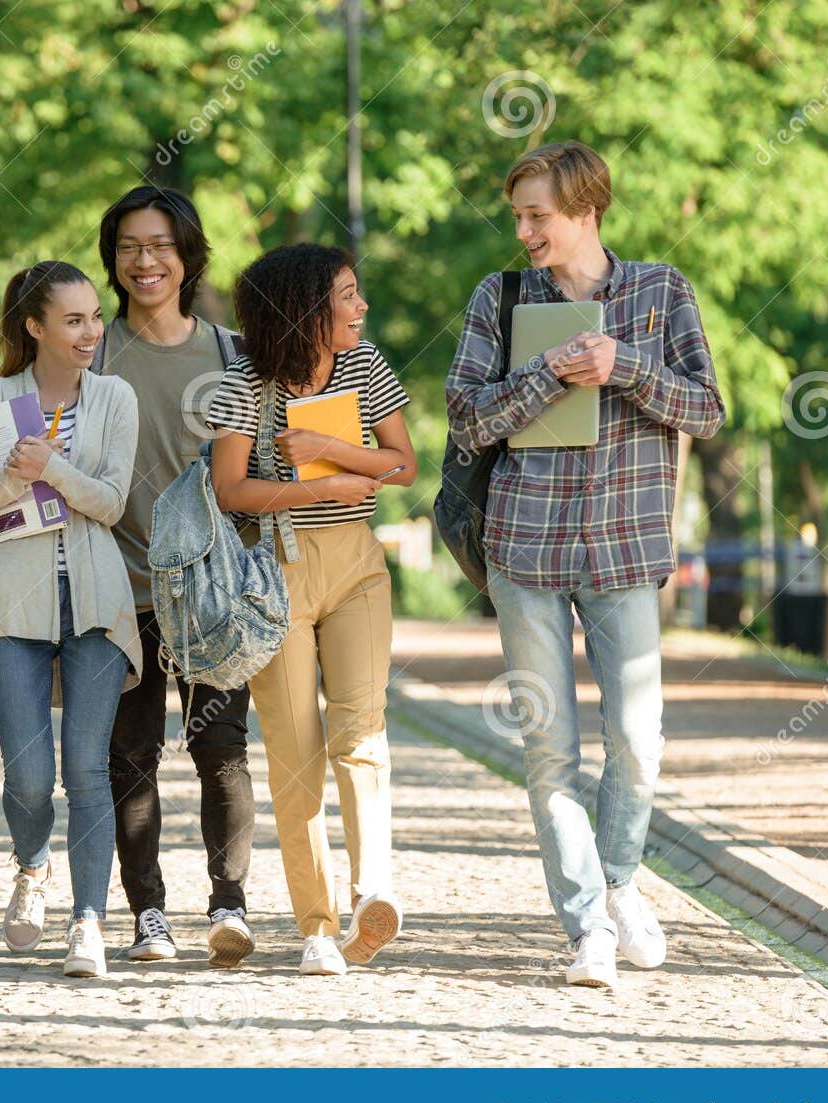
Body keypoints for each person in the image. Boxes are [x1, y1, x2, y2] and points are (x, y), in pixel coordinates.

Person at [444, 140, 725, 989]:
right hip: (524, 549)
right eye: (520, 215)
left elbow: (706, 410)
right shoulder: (500, 298)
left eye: (540, 215)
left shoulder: (660, 290)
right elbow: (464, 419)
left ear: (586, 209)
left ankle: (622, 880)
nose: (525, 230)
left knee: (638, 743)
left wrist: (625, 367)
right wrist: (547, 376)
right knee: (549, 750)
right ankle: (586, 928)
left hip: (625, 549)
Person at [206, 243, 416, 976]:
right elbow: (231, 489)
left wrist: (332, 449)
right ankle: (317, 925)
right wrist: (311, 489)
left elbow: (402, 465)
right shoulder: (243, 384)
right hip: (275, 574)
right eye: (347, 296)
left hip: (356, 565)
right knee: (296, 757)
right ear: (304, 310)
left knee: (362, 734)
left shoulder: (364, 366)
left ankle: (372, 892)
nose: (361, 308)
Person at [0, 261, 141, 979]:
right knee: (29, 778)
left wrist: (53, 469)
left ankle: (89, 920)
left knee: (87, 767)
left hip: (94, 601)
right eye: (74, 320)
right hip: (12, 601)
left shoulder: (114, 397)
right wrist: (13, 475)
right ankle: (33, 867)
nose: (90, 331)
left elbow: (113, 502)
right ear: (35, 327)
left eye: (94, 317)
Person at [94, 186, 258, 967]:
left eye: (160, 245)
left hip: (210, 599)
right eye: (129, 246)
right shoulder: (87, 355)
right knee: (129, 758)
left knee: (221, 748)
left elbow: (259, 468)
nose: (145, 261)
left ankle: (229, 905)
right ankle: (147, 913)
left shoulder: (232, 355)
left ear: (188, 256)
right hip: (117, 592)